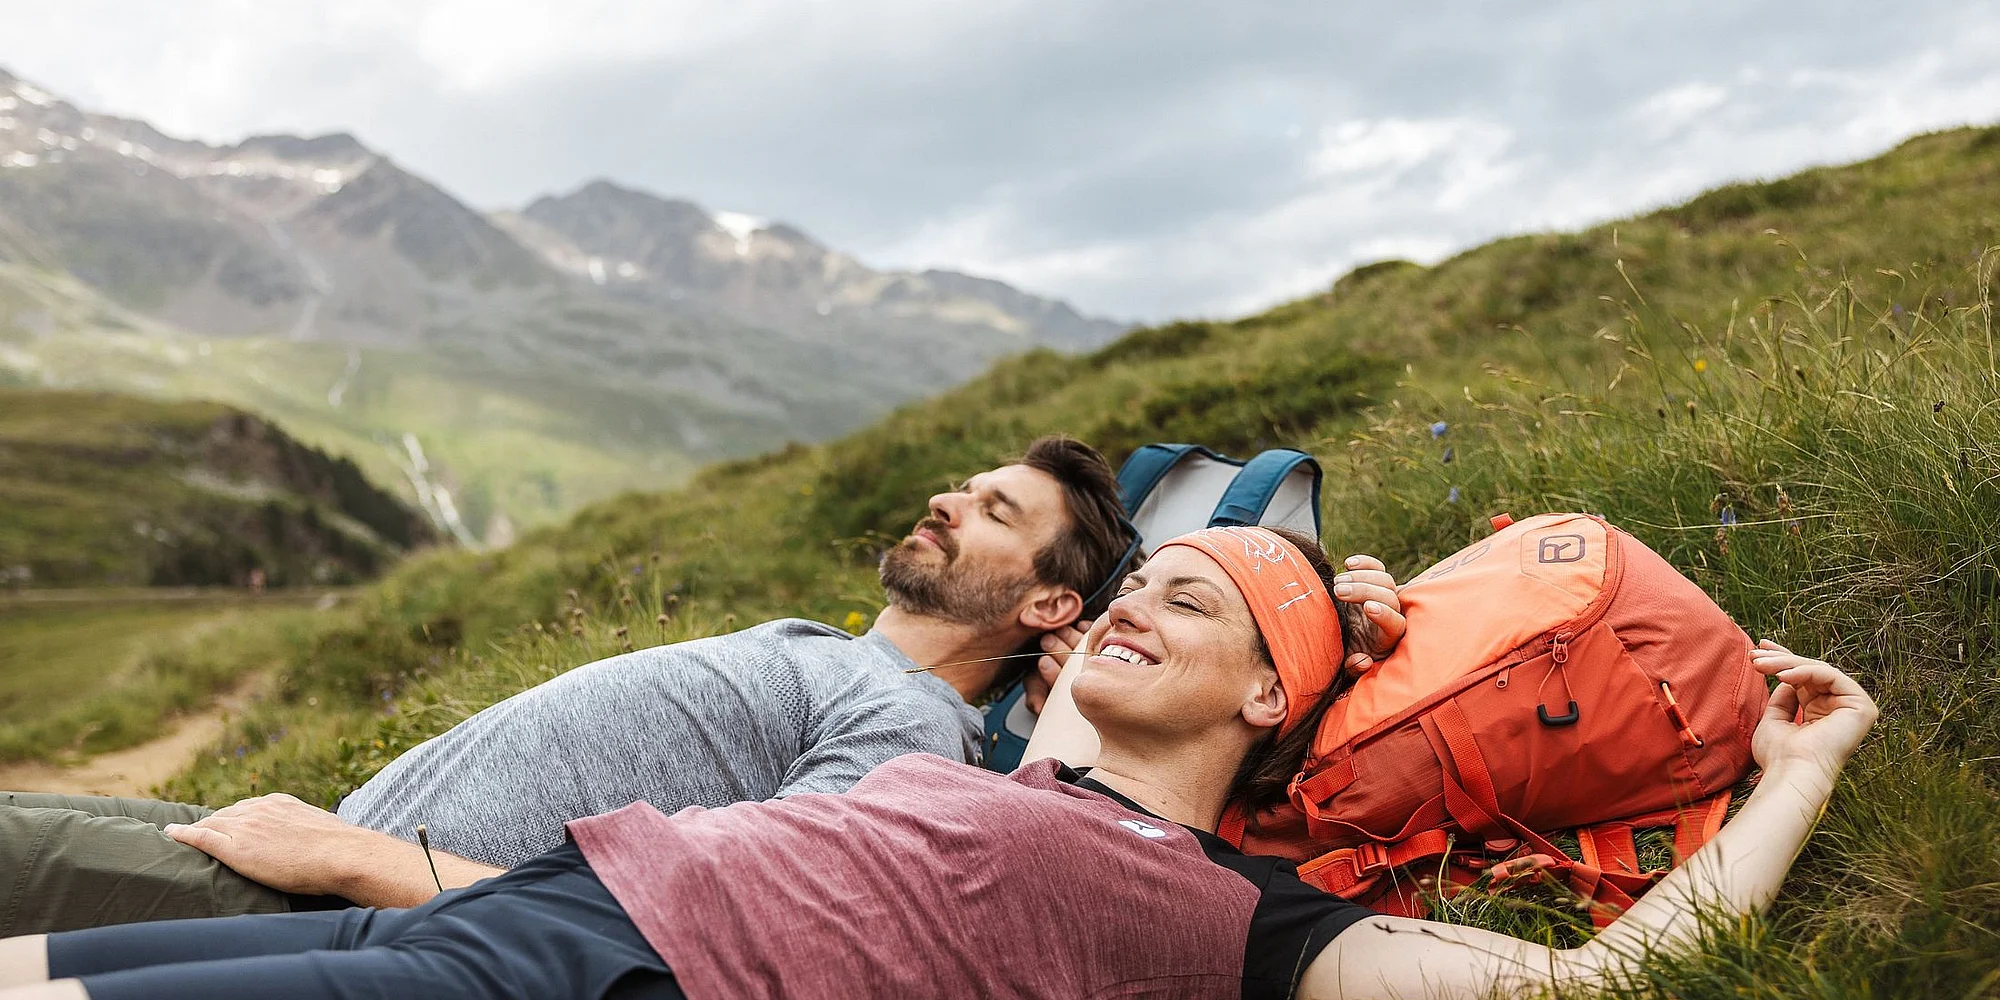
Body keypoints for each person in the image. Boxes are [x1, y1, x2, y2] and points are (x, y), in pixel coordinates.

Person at [0, 525, 1877, 1000]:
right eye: (1130, 585)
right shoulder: (986, 773)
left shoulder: (1225, 916)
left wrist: (1797, 768)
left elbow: (1604, 980)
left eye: (1196, 605)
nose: (1139, 607)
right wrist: (363, 865)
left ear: (1260, 703)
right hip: (518, 923)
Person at [4, 436, 1405, 934]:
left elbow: (726, 920)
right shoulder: (839, 655)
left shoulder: (903, 725)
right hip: (285, 834)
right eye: (963, 483)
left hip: (313, 893)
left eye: (991, 511)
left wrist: (368, 865)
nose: (947, 501)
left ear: (1048, 602)